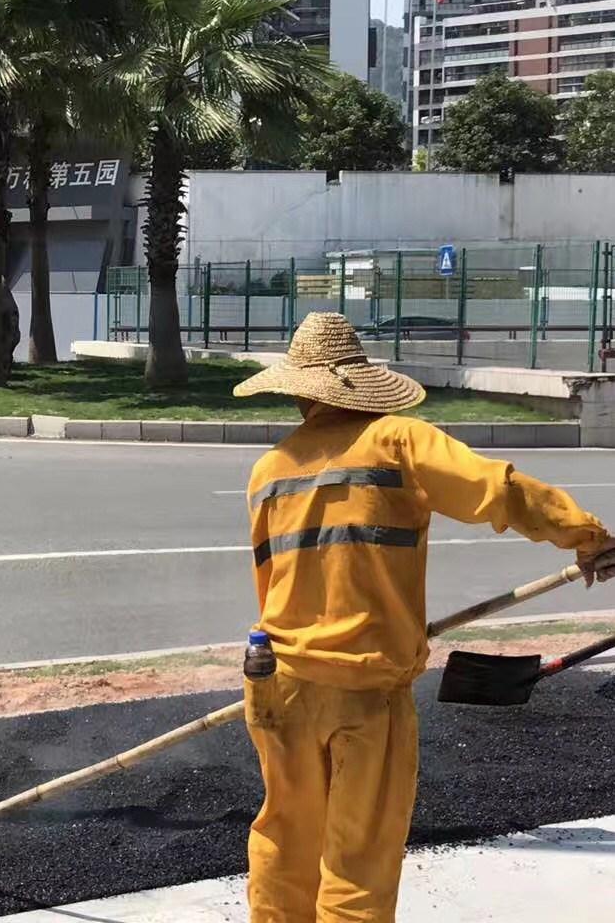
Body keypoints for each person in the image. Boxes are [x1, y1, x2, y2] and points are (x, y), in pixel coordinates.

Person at [231, 312, 615, 922]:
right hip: (364, 686)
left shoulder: (269, 470)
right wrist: (587, 536)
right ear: (359, 384)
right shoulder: (397, 442)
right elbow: (499, 490)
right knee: (357, 861)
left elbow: (270, 581)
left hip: (278, 680)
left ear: (301, 391)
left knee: (285, 835)